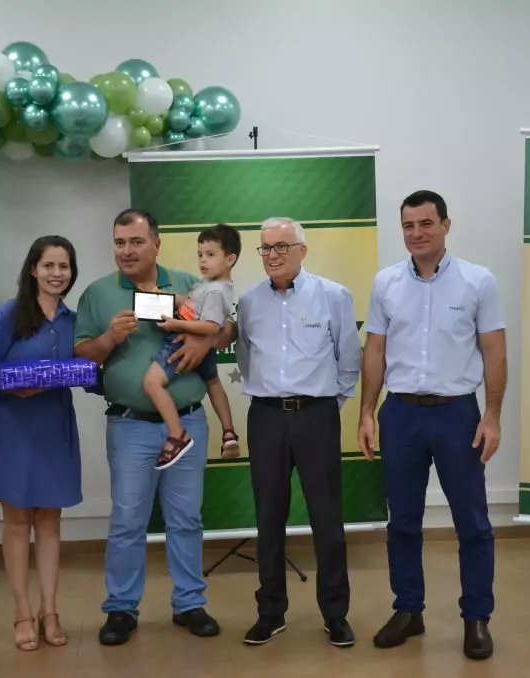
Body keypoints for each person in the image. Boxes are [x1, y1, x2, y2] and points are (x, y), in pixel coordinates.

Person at [357, 190, 507, 660]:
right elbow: (375, 351)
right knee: (401, 521)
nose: (416, 233)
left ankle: (476, 617)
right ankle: (408, 610)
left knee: (473, 524)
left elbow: (495, 352)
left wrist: (493, 415)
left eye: (426, 223)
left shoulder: (477, 282)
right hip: (400, 415)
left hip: (457, 414)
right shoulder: (386, 283)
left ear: (446, 225)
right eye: (408, 226)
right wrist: (366, 411)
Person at [74, 208, 235, 646]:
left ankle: (190, 604)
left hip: (187, 422)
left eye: (136, 242)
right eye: (120, 243)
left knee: (186, 518)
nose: (127, 251)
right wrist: (109, 338)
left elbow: (228, 328)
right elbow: (83, 355)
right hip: (129, 426)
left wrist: (206, 338)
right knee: (128, 520)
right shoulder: (98, 293)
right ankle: (121, 609)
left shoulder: (190, 283)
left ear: (156, 244)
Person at [235, 217, 362, 647]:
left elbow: (349, 359)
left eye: (281, 247)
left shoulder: (333, 295)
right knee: (269, 518)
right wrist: (272, 396)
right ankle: (270, 612)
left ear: (302, 251)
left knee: (327, 518)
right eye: (265, 248)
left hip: (317, 416)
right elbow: (246, 356)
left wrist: (328, 404)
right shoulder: (249, 301)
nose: (272, 255)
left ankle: (336, 613)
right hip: (266, 417)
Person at [0, 235, 82, 652]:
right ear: (33, 269)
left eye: (64, 266)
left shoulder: (74, 319)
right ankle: (21, 611)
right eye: (49, 265)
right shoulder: (8, 314)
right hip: (14, 427)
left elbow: (86, 366)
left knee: (50, 523)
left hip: (55, 426)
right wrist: (17, 387)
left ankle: (49, 610)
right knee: (17, 523)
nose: (57, 274)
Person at [142, 224, 241, 470]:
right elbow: (191, 302)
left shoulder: (217, 291)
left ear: (230, 259)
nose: (203, 261)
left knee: (151, 383)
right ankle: (229, 433)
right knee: (213, 382)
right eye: (200, 254)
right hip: (190, 340)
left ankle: (177, 434)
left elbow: (211, 327)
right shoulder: (208, 284)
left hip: (180, 344)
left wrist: (175, 322)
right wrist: (163, 298)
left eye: (210, 254)